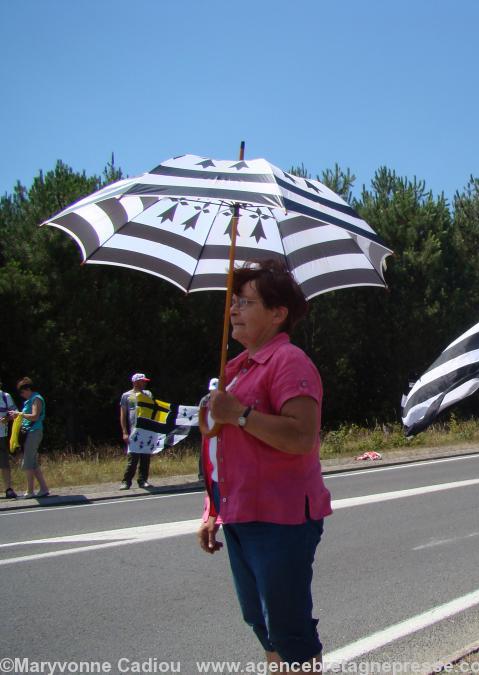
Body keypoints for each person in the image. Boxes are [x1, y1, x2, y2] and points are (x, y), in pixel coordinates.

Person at [197, 259, 331, 670]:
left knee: (288, 628)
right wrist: (211, 510)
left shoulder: (288, 362)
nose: (233, 310)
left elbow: (301, 437)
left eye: (245, 302)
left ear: (277, 313)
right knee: (259, 620)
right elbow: (226, 455)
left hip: (281, 518)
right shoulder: (237, 371)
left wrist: (238, 414)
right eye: (232, 302)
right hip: (241, 514)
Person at [10, 377, 49, 498]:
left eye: (22, 392)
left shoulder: (36, 399)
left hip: (34, 432)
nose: (21, 395)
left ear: (28, 389)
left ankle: (30, 491)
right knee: (32, 462)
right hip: (29, 432)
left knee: (27, 462)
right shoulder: (30, 400)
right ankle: (43, 488)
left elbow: (34, 416)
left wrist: (20, 414)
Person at [119, 373, 154, 489]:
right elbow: (123, 415)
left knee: (145, 457)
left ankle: (143, 480)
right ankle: (126, 481)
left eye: (145, 381)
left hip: (147, 430)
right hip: (134, 430)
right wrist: (124, 432)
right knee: (133, 458)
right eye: (142, 381)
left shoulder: (148, 394)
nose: (144, 383)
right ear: (135, 382)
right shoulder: (126, 395)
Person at [0, 379, 19, 498]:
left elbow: (16, 413)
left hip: (2, 435)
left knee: (4, 463)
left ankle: (8, 489)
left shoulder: (5, 396)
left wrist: (7, 418)